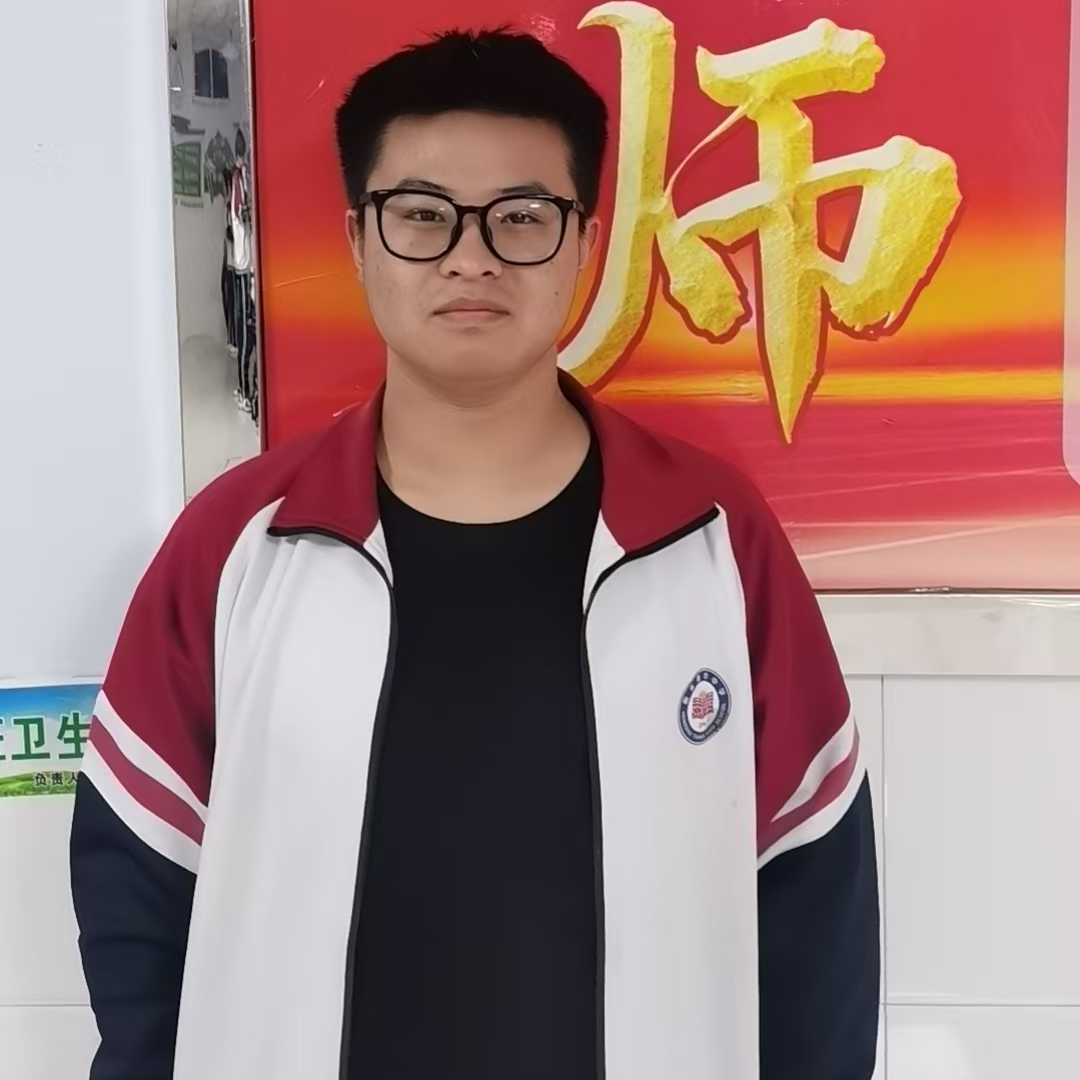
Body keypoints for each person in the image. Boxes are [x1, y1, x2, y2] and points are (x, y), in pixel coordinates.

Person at [70, 28, 879, 1080]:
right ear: (358, 239)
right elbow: (137, 879)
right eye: (421, 214)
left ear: (585, 242)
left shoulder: (710, 539)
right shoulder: (238, 544)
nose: (471, 256)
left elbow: (815, 895)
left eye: (522, 217)